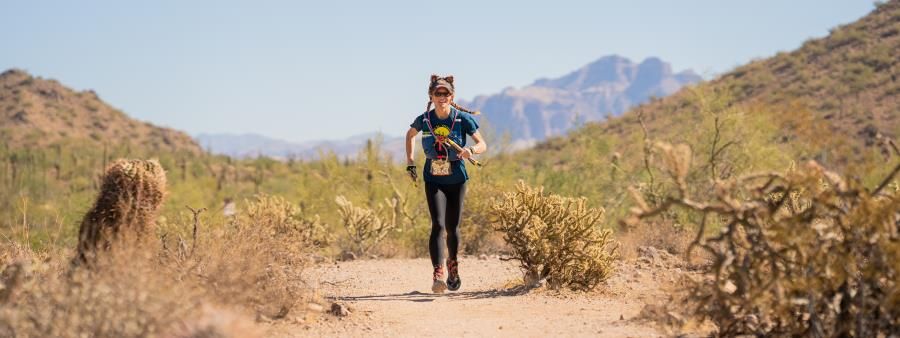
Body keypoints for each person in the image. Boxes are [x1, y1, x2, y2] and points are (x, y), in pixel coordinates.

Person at [405, 74, 487, 293]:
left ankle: (453, 264)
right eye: (437, 93)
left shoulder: (462, 119)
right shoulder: (425, 119)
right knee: (438, 225)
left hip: (457, 178)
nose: (442, 97)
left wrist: (470, 150)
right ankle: (438, 272)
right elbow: (410, 134)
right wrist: (410, 162)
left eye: (446, 93)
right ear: (431, 96)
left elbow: (482, 144)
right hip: (433, 178)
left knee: (452, 227)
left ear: (452, 96)